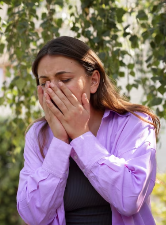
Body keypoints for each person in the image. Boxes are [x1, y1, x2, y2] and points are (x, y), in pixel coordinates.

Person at [16, 36, 160, 225]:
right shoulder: (38, 134)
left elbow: (131, 198)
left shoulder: (133, 123)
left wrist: (81, 136)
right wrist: (60, 142)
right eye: (44, 83)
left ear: (93, 81)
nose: (52, 90)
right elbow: (32, 215)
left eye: (65, 79)